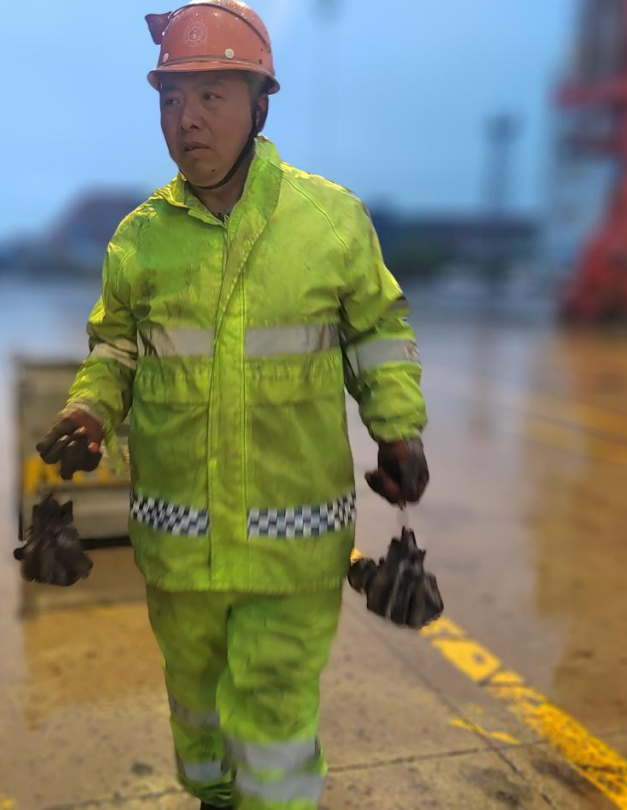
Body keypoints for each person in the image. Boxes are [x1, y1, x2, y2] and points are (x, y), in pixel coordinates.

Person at [37, 2, 429, 807]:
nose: (186, 121)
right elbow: (114, 352)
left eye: (211, 96)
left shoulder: (329, 222)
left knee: (272, 715)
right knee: (198, 714)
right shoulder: (140, 239)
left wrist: (398, 431)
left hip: (293, 547)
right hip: (178, 544)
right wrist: (87, 412)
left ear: (260, 105)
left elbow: (378, 333)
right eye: (170, 99)